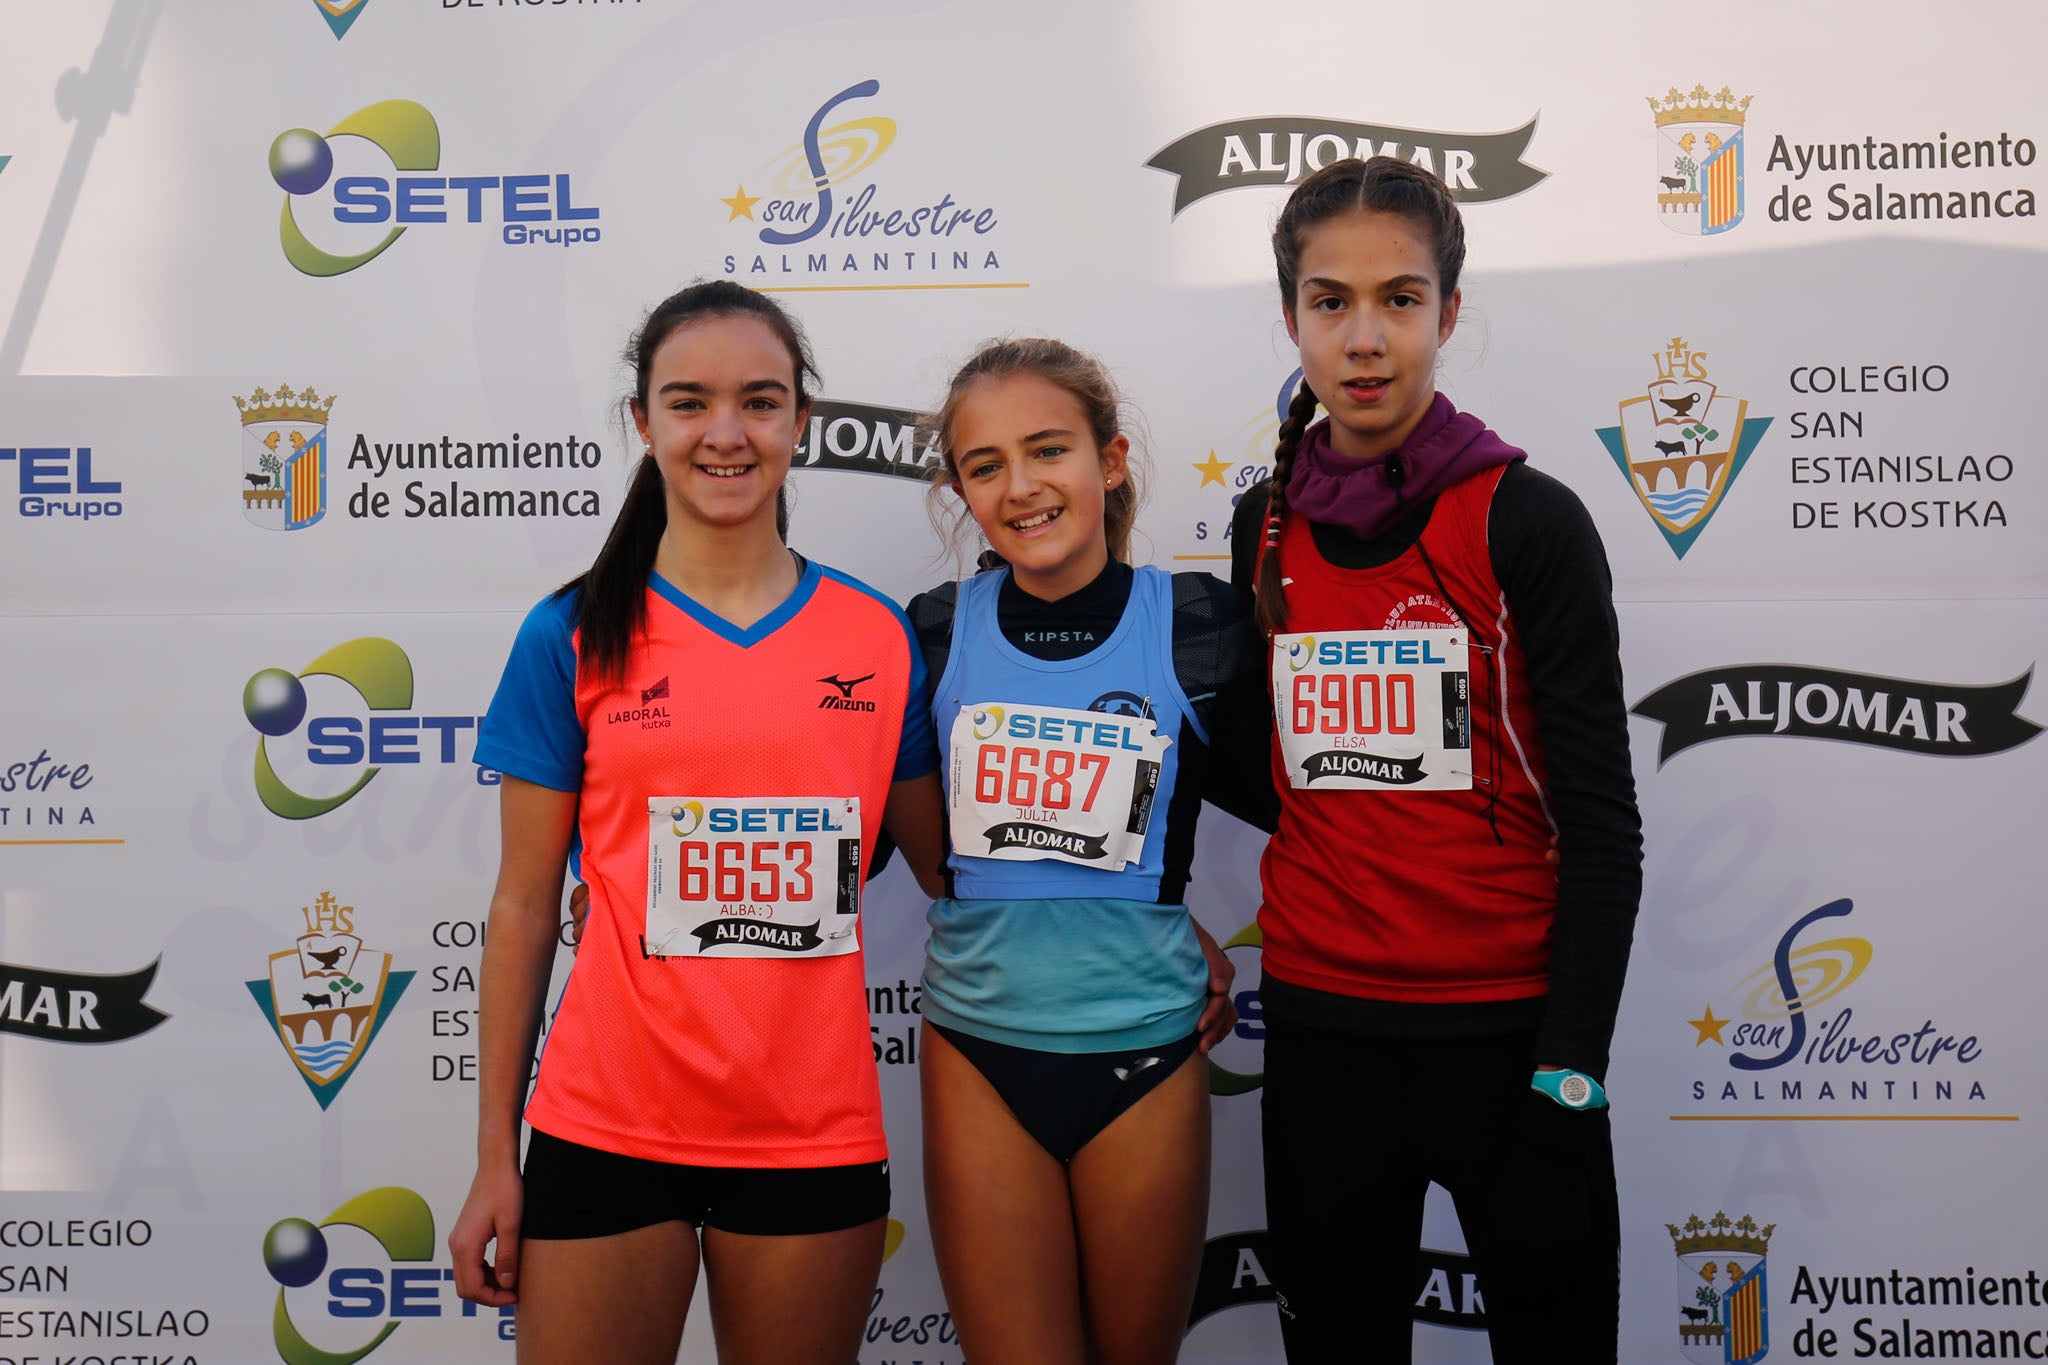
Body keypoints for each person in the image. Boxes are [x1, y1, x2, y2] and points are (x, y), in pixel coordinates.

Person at [447, 279, 945, 1363]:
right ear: (643, 422)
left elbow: (958, 870)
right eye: (688, 402)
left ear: (800, 424)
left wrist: (1144, 912)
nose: (726, 433)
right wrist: (497, 1158)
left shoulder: (877, 638)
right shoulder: (571, 632)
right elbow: (526, 903)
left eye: (760, 401)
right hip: (603, 1127)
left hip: (812, 1136)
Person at [1227, 157, 1643, 1362]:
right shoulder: (1265, 522)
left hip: (1509, 1046)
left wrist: (1571, 1069)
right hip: (1321, 1041)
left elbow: (1602, 825)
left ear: (1447, 315)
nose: (1364, 338)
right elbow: (1280, 774)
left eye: (1400, 300)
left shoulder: (1527, 517)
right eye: (1329, 301)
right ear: (1291, 313)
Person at [904, 338, 1268, 1365]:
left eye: (1046, 450)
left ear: (1108, 461)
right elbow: (935, 854)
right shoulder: (931, 631)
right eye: (984, 466)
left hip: (1145, 1051)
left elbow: (1310, 804)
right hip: (978, 1053)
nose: (1019, 487)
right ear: (960, 491)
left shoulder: (1197, 622)